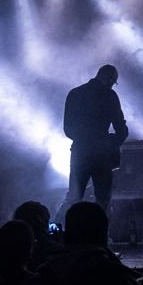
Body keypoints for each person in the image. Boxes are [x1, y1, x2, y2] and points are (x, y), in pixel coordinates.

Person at [56, 64, 129, 221]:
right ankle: (99, 232)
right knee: (103, 200)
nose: (112, 85)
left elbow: (68, 129)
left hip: (80, 153)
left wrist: (85, 140)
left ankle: (65, 231)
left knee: (74, 197)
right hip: (103, 156)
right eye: (113, 82)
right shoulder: (110, 96)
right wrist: (110, 142)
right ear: (108, 78)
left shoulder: (75, 93)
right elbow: (121, 129)